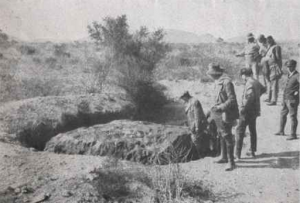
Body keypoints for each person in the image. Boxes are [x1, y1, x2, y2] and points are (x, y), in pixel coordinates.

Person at [206, 63, 239, 171]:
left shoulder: (227, 82)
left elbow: (232, 100)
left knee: (227, 136)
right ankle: (223, 156)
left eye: (211, 74)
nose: (210, 76)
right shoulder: (217, 82)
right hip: (216, 113)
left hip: (225, 113)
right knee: (220, 135)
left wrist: (221, 107)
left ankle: (231, 162)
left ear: (215, 74)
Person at [235, 68, 266, 160]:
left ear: (244, 75)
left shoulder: (249, 83)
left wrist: (243, 109)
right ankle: (252, 151)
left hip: (247, 111)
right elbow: (264, 89)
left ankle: (237, 155)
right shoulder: (256, 81)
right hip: (255, 111)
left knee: (239, 131)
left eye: (242, 76)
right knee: (252, 130)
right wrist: (257, 97)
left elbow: (249, 98)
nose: (242, 78)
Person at [275, 60, 299, 140]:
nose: (289, 68)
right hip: (285, 98)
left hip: (292, 99)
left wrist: (298, 92)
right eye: (288, 67)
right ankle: (281, 131)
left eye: (290, 66)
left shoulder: (297, 75)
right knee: (283, 114)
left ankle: (293, 134)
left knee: (292, 116)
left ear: (294, 66)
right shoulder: (289, 75)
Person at [180, 91, 208, 157]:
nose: (182, 99)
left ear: (185, 96)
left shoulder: (195, 102)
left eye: (182, 98)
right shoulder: (188, 102)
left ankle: (201, 154)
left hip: (197, 124)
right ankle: (200, 153)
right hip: (192, 124)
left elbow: (197, 115)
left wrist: (197, 127)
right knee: (196, 139)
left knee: (196, 139)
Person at [262, 36, 283, 105]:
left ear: (272, 41)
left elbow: (278, 58)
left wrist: (272, 56)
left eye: (269, 41)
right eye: (267, 41)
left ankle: (274, 100)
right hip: (269, 67)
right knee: (270, 83)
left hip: (274, 67)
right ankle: (269, 97)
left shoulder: (276, 47)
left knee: (274, 84)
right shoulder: (269, 47)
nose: (268, 42)